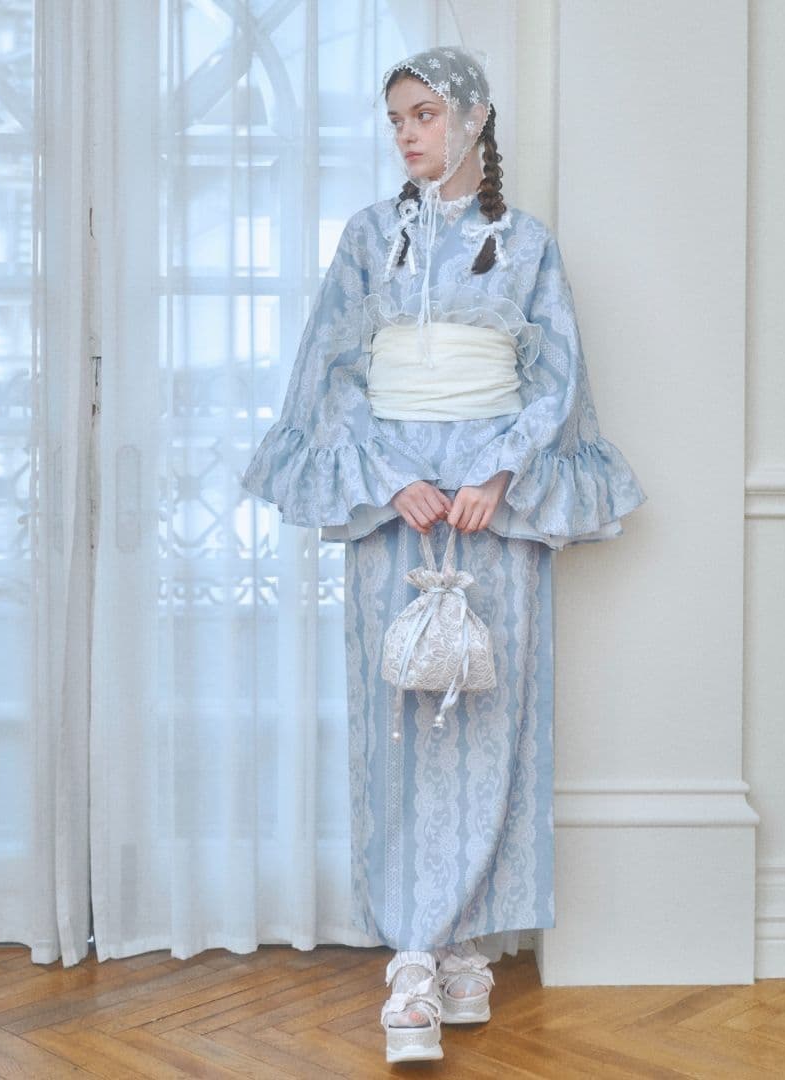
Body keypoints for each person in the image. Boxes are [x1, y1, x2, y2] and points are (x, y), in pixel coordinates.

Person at [241, 45, 646, 1064]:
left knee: (491, 717)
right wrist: (387, 476)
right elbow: (331, 370)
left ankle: (462, 939)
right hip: (398, 502)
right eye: (396, 120)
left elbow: (555, 378)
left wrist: (500, 473)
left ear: (473, 118)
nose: (407, 135)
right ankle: (414, 958)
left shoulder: (527, 244)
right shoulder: (368, 237)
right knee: (399, 719)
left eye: (423, 114)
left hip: (488, 507)